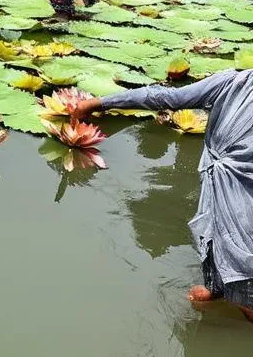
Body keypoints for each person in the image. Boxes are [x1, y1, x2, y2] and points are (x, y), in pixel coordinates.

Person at [71, 68, 253, 323]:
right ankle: (219, 288)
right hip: (220, 176)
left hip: (245, 188)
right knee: (214, 230)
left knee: (244, 250)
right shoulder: (233, 81)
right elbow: (166, 98)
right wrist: (101, 102)